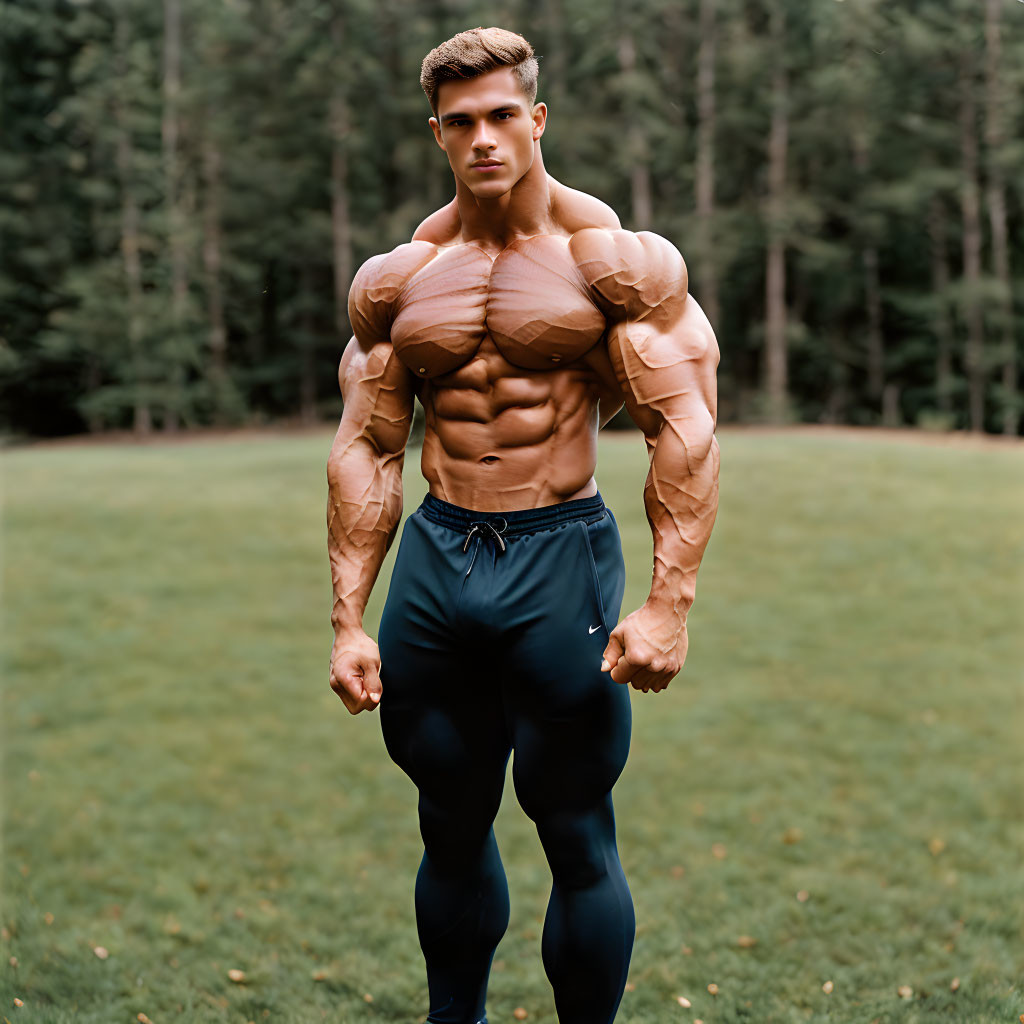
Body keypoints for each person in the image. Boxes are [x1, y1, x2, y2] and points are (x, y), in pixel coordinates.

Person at [325, 26, 719, 1024]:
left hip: (559, 556)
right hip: (438, 554)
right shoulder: (398, 282)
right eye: (462, 122)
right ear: (438, 135)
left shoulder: (615, 267)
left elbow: (682, 425)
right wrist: (347, 618)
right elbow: (368, 446)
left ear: (536, 118)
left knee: (575, 825)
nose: (485, 137)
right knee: (446, 821)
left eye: (503, 114)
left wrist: (667, 604)